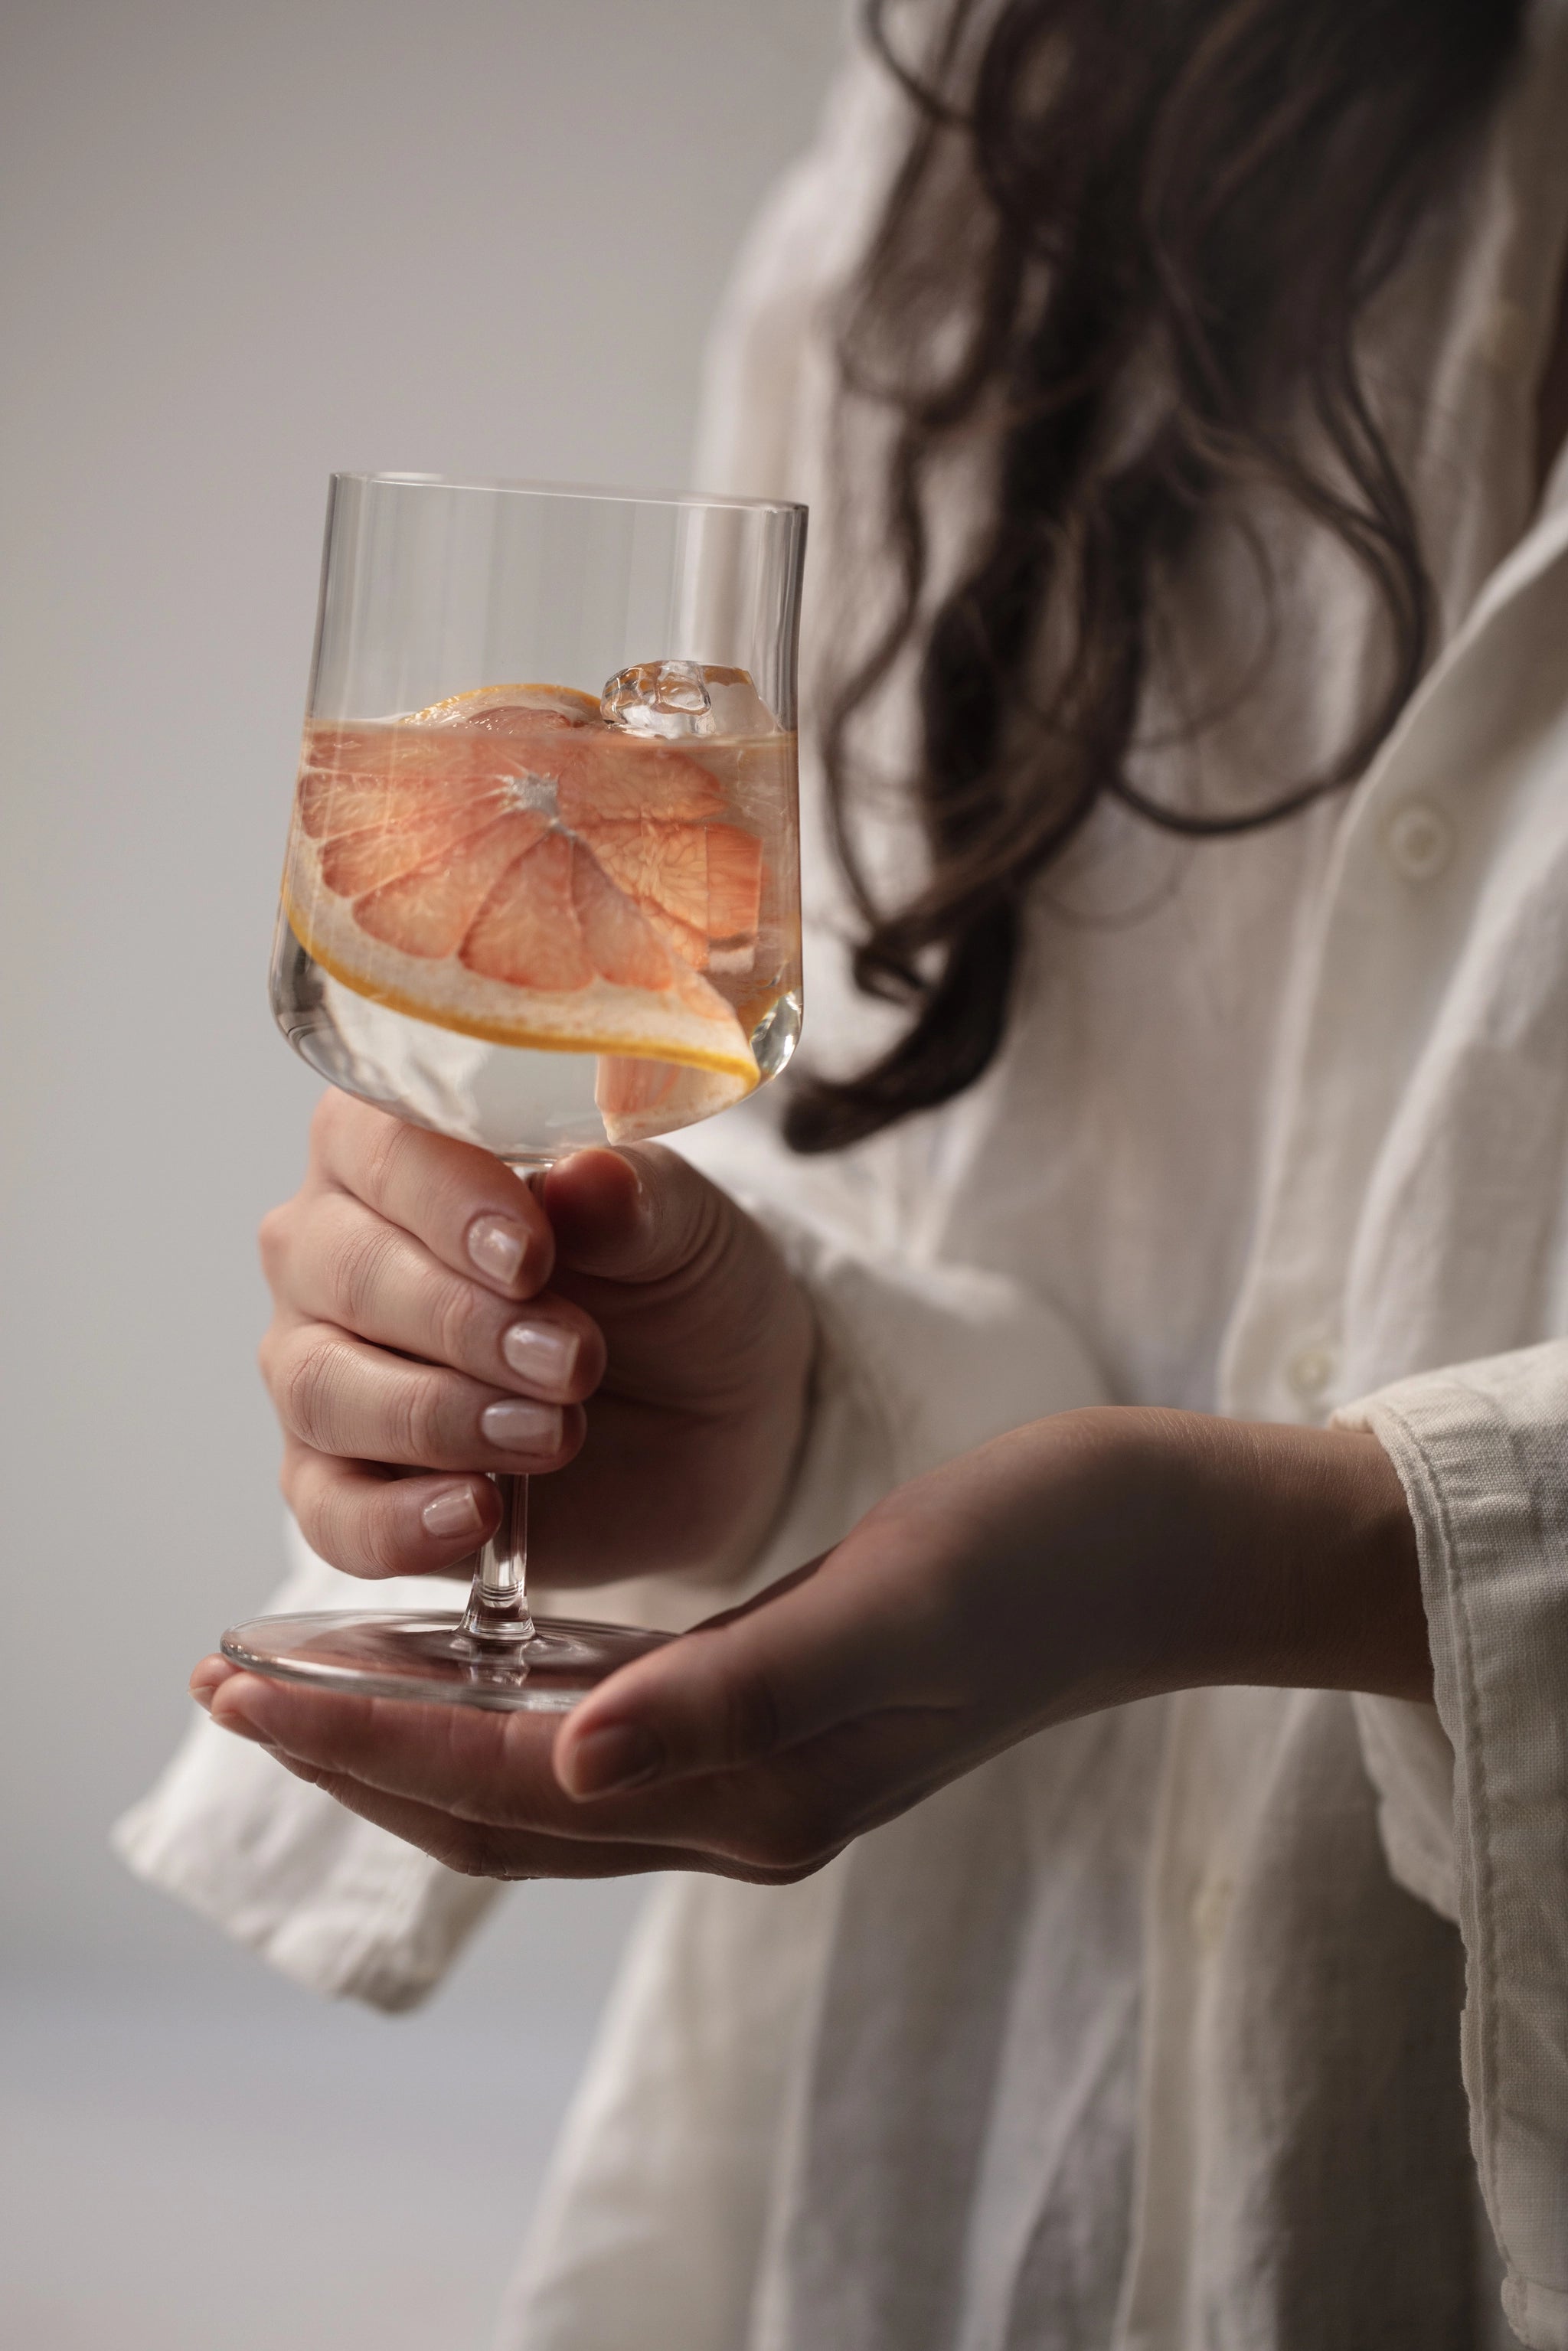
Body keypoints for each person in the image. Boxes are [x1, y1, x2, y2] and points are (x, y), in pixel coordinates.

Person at [119, 1, 1568, 2343]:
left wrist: (1290, 1551)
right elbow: (911, 1158)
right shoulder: (996, 138)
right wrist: (784, 1405)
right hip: (973, 2144)